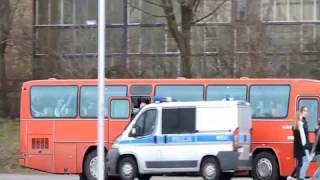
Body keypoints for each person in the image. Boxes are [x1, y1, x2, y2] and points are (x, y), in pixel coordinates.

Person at [289, 106, 311, 180]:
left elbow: (303, 136)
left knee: (300, 163)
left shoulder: (300, 123)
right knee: (306, 161)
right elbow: (302, 137)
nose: (307, 112)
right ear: (301, 112)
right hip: (302, 147)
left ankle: (294, 177)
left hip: (301, 147)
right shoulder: (299, 124)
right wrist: (305, 146)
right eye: (305, 111)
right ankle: (300, 177)